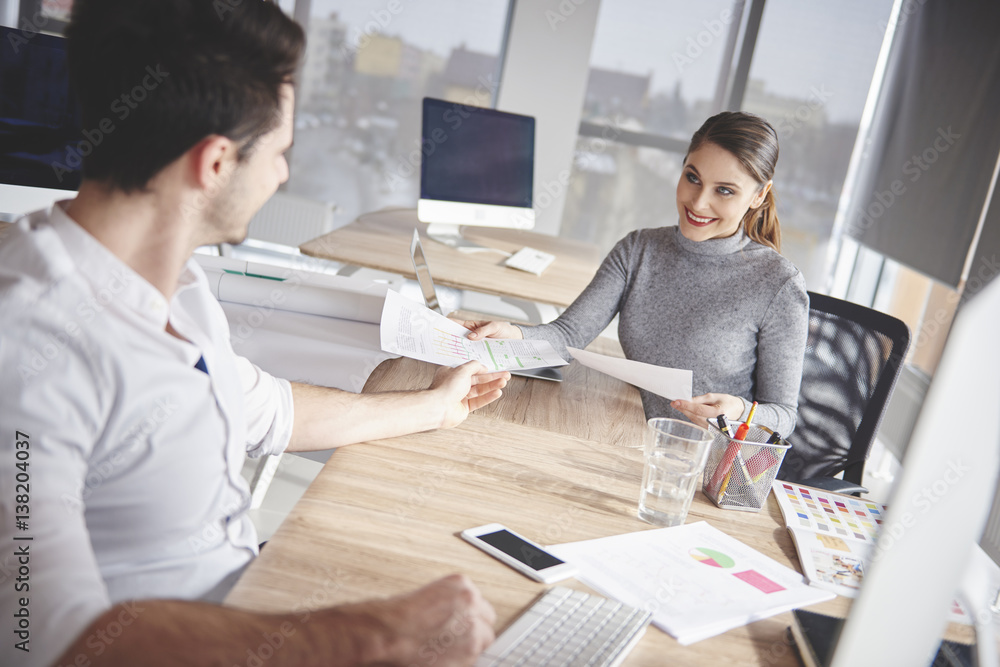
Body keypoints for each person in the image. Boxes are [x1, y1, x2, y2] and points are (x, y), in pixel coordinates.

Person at [0, 1, 507, 665]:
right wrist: (368, 637)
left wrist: (435, 406)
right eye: (279, 151)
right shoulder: (32, 338)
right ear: (214, 164)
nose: (284, 173)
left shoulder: (180, 288)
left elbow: (268, 410)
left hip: (253, 601)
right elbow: (41, 636)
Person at [462, 111, 809, 436]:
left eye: (724, 190)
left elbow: (783, 416)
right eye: (693, 178)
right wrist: (515, 334)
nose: (699, 202)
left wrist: (738, 411)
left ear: (759, 195)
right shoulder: (639, 249)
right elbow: (567, 336)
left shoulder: (777, 284)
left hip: (709, 467)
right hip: (629, 435)